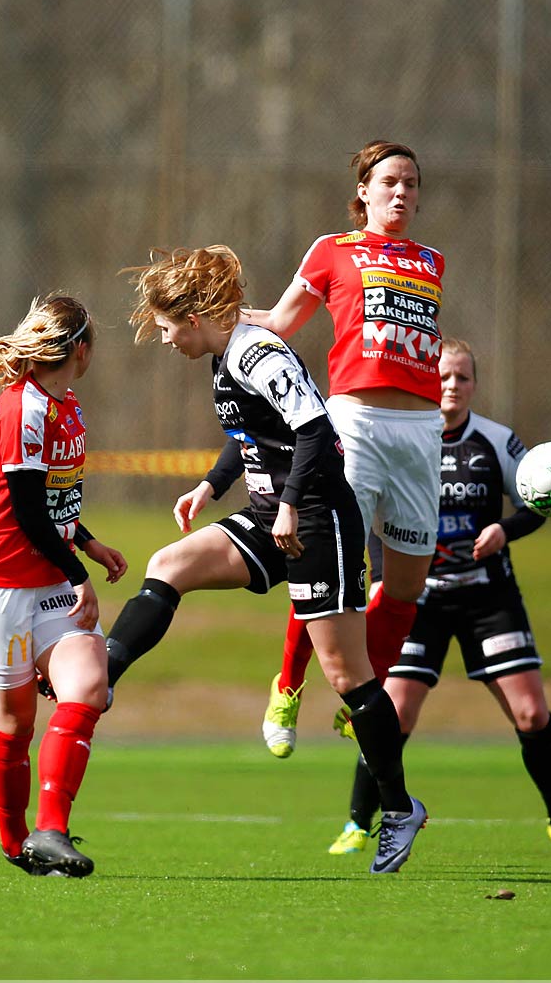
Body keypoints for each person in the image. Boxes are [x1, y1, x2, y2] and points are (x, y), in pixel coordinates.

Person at [104, 246, 427, 875]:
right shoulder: (226, 356)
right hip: (270, 514)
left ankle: (397, 810)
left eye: (169, 327)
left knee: (347, 673)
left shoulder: (260, 350)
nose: (166, 340)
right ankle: (103, 678)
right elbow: (249, 432)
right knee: (170, 563)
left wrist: (289, 507)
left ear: (195, 317)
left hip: (315, 519)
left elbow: (312, 428)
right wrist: (210, 486)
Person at [327, 340, 551, 857]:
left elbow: (536, 503)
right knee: (394, 714)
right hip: (417, 600)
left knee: (531, 713)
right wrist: (383, 579)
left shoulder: (496, 441)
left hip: (486, 598)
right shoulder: (402, 436)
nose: (452, 385)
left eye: (463, 377)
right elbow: (367, 512)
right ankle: (360, 824)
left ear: (474, 384)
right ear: (428, 378)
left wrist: (504, 529)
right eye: (445, 375)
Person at [243, 140, 446, 759]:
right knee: (326, 565)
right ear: (363, 190)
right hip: (354, 422)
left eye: (411, 182)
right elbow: (280, 322)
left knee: (407, 586)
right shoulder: (333, 250)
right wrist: (220, 322)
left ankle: (366, 695)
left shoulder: (431, 260)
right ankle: (289, 684)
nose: (402, 192)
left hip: (419, 431)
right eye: (389, 181)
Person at [0, 294, 129, 878]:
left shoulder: (66, 405)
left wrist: (87, 543)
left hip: (45, 576)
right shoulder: (22, 407)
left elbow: (53, 502)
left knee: (89, 684)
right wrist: (81, 574)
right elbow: (25, 510)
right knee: (15, 724)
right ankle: (15, 840)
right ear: (79, 349)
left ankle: (50, 830)